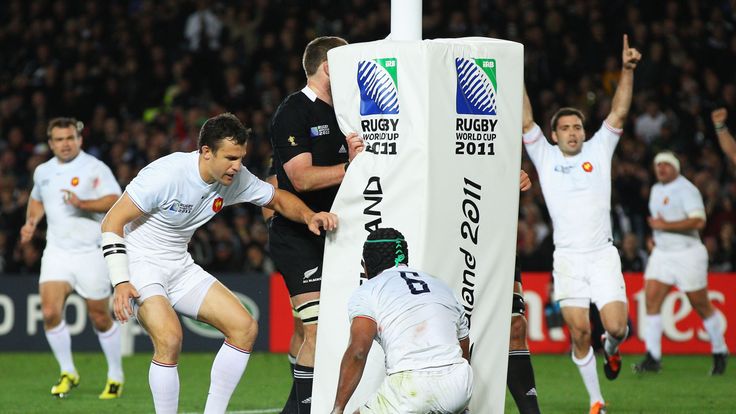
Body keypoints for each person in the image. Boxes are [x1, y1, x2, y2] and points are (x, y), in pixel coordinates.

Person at [101, 113, 338, 414]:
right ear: (206, 152)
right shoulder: (166, 174)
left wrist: (309, 216)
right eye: (230, 157)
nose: (237, 166)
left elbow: (276, 198)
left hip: (178, 264)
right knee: (170, 338)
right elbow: (111, 222)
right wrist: (121, 281)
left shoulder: (234, 179)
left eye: (240, 158)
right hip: (140, 263)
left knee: (244, 327)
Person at [522, 34, 641, 414]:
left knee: (617, 327)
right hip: (569, 258)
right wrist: (514, 74)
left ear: (584, 132)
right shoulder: (543, 155)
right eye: (566, 128)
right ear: (553, 135)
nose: (573, 132)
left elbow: (619, 113)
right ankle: (596, 401)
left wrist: (626, 69)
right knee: (579, 332)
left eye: (577, 127)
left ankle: (613, 348)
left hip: (602, 253)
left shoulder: (598, 149)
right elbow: (525, 118)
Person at [268, 35, 364, 413]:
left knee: (306, 328)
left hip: (337, 233)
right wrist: (350, 167)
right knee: (319, 327)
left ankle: (294, 406)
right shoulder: (294, 110)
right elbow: (302, 178)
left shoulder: (345, 111)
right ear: (328, 67)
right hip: (297, 233)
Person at [20, 117, 124, 399]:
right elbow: (38, 197)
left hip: (91, 252)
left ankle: (115, 375)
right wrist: (31, 222)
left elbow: (115, 198)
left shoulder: (94, 167)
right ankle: (68, 371)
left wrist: (83, 204)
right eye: (59, 139)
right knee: (51, 313)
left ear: (79, 139)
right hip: (57, 251)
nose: (65, 144)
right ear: (51, 143)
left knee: (100, 317)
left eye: (70, 138)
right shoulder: (43, 171)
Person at [331, 227, 473, 414]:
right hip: (460, 383)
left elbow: (358, 351)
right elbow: (463, 344)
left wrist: (338, 408)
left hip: (410, 388)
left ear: (365, 266)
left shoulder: (368, 290)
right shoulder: (441, 286)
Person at [634, 152, 728, 375]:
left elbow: (698, 220)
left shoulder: (687, 189)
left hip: (688, 253)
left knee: (700, 303)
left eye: (666, 164)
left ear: (676, 168)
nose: (661, 169)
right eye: (658, 165)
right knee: (651, 299)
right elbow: (658, 221)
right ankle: (653, 357)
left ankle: (719, 349)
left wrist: (664, 226)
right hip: (663, 253)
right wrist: (655, 236)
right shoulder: (656, 190)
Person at [262, 167, 305, 414]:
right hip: (299, 251)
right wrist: (274, 225)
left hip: (322, 246)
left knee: (309, 327)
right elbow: (268, 193)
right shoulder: (285, 154)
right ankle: (299, 392)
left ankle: (301, 394)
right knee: (303, 327)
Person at [508, 170, 541, 414]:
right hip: (449, 240)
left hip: (498, 241)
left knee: (516, 325)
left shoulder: (493, 138)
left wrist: (518, 177)